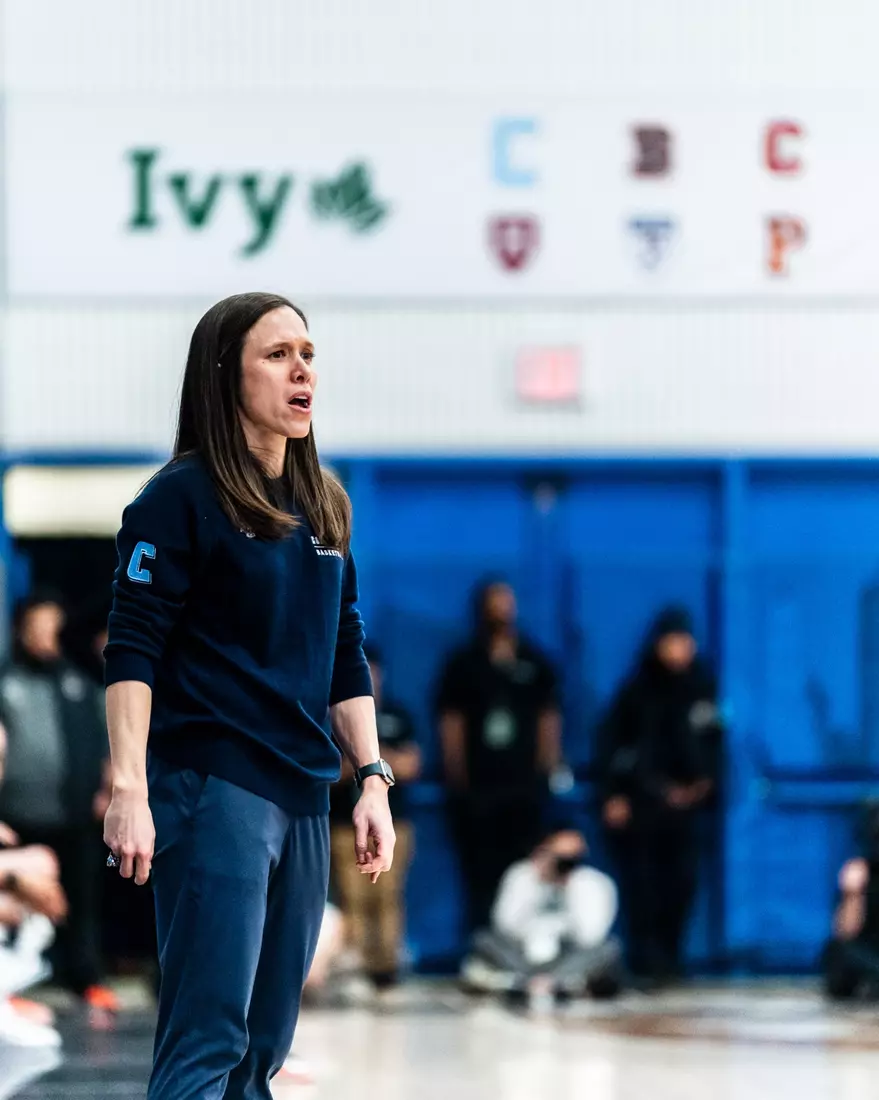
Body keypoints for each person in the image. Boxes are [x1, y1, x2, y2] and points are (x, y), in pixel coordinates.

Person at [102, 292, 395, 1100]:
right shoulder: (177, 498)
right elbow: (132, 648)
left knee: (262, 1049)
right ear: (224, 373)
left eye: (308, 354)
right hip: (215, 786)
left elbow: (343, 651)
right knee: (207, 1041)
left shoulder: (324, 504)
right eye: (278, 354)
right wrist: (129, 787)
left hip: (304, 795)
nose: (302, 371)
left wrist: (372, 778)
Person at [597, 606, 722, 985]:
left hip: (687, 810)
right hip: (645, 806)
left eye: (685, 642)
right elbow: (613, 746)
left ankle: (672, 958)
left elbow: (713, 743)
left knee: (682, 884)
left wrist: (703, 785)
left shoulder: (702, 688)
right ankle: (646, 958)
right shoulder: (637, 691)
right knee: (644, 886)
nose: (679, 650)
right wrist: (613, 794)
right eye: (672, 642)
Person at [0, 592, 114, 1009]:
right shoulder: (6, 682)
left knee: (81, 901)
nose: (45, 635)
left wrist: (109, 791)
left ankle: (86, 978)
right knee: (22, 898)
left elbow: (107, 739)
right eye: (37, 626)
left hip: (75, 812)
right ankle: (13, 984)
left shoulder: (80, 683)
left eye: (52, 626)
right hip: (17, 815)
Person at [436, 579, 561, 934]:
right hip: (478, 793)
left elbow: (549, 720)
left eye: (506, 603)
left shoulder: (535, 662)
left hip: (524, 792)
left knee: (525, 875)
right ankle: (481, 945)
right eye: (494, 604)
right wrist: (458, 781)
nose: (501, 611)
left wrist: (546, 772)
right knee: (479, 878)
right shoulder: (463, 665)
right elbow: (451, 725)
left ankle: (522, 947)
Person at [330, 645, 420, 990]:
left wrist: (367, 765)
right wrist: (372, 765)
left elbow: (412, 763)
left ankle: (386, 968)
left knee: (387, 895)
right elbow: (328, 769)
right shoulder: (334, 715)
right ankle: (354, 966)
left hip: (393, 821)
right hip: (345, 822)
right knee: (353, 896)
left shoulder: (397, 715)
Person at [464, 827, 621, 1003]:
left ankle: (546, 982)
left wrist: (568, 887)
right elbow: (504, 925)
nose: (563, 863)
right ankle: (541, 983)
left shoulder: (593, 883)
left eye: (571, 858)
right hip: (522, 955)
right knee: (483, 939)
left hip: (567, 956)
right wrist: (538, 883)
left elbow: (590, 936)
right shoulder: (521, 874)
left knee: (609, 948)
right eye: (558, 856)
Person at [822, 804, 879, 1000]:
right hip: (867, 952)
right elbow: (846, 933)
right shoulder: (861, 871)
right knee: (839, 952)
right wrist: (853, 894)